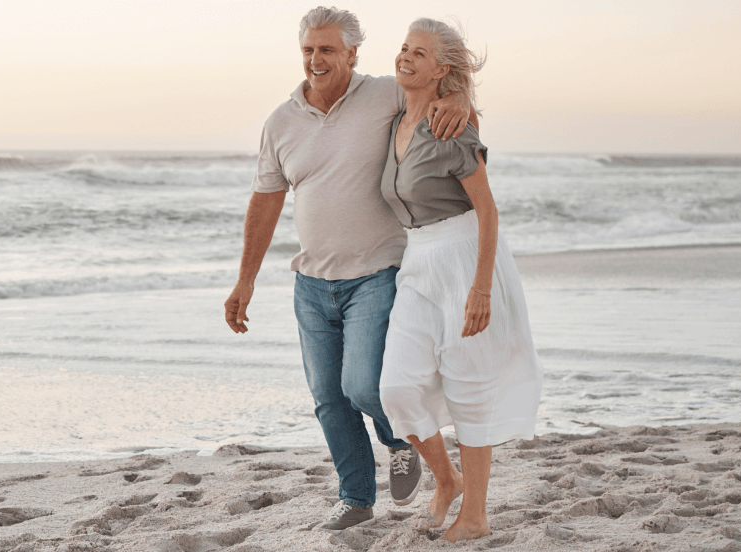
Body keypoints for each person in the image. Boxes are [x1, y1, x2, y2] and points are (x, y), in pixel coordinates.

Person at [223, 6, 473, 531]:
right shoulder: (281, 121)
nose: (316, 60)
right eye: (308, 50)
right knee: (329, 400)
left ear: (352, 53)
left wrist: (459, 98)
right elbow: (265, 201)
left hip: (377, 273)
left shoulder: (384, 94)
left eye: (327, 49)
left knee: (364, 387)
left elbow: (434, 91)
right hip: (311, 283)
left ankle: (398, 441)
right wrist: (245, 279)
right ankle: (356, 498)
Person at [376, 18, 543, 542]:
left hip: (464, 255)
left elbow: (488, 211)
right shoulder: (393, 119)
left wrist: (481, 287)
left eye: (419, 53)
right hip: (417, 262)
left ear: (440, 70)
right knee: (396, 387)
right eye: (404, 48)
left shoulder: (453, 127)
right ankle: (446, 480)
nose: (406, 57)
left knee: (470, 387)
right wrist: (460, 96)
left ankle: (475, 516)